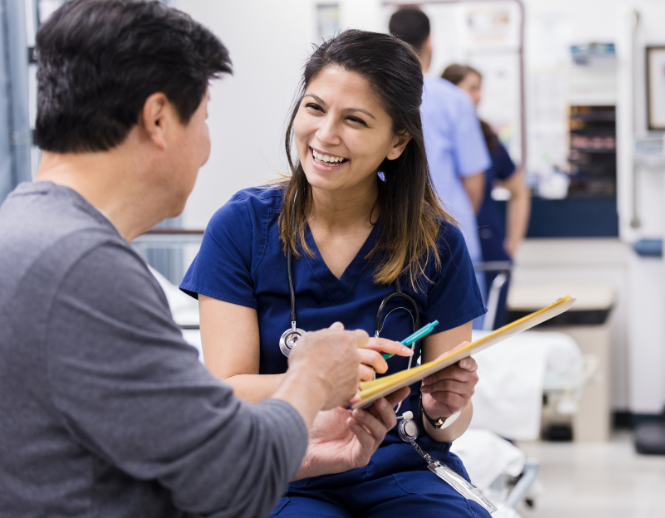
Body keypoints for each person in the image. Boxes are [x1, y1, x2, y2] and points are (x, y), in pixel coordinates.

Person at [0, 2, 407, 517]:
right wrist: (312, 376)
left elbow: (180, 454)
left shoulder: (27, 234)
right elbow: (226, 479)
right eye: (205, 118)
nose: (207, 149)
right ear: (159, 120)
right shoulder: (83, 269)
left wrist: (299, 450)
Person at [180, 30, 490, 517]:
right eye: (315, 108)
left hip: (404, 469)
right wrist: (331, 377)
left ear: (398, 141)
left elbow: (448, 423)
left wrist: (441, 408)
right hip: (286, 472)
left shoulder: (437, 243)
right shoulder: (242, 228)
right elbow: (228, 390)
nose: (325, 135)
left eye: (355, 120)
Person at [389, 8, 491, 287]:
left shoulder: (382, 99)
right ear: (429, 42)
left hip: (393, 239)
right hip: (451, 237)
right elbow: (473, 181)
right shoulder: (455, 100)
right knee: (467, 329)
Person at [441, 64, 531, 329]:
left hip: (488, 249)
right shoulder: (432, 135)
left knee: (490, 333)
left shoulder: (486, 137)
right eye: (472, 88)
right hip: (449, 247)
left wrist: (512, 245)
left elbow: (519, 191)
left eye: (480, 88)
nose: (478, 96)